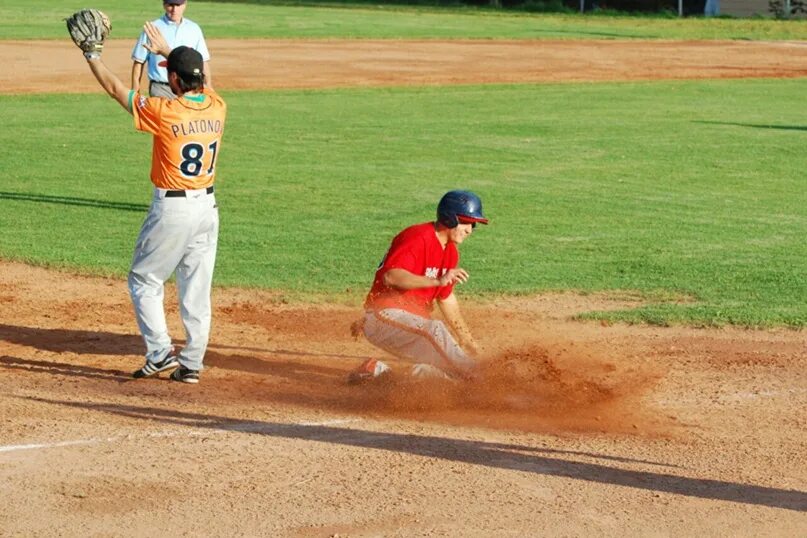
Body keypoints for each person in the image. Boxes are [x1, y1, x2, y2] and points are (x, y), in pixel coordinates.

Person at [73, 20, 226, 384]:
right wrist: (169, 55)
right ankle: (191, 363)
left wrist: (92, 55)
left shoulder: (164, 112)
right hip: (208, 210)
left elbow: (115, 89)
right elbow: (202, 80)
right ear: (201, 78)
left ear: (173, 80)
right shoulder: (218, 106)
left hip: (173, 211)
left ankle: (159, 353)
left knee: (144, 279)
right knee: (196, 289)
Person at [349, 190, 489, 383]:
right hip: (383, 316)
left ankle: (378, 374)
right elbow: (392, 276)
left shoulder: (450, 253)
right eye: (466, 222)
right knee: (435, 330)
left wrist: (466, 339)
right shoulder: (417, 237)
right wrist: (436, 281)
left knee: (444, 373)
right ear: (450, 218)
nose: (470, 229)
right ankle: (483, 380)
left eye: (474, 225)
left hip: (411, 326)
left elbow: (446, 298)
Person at [131, 0, 212, 99]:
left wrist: (209, 86)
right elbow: (139, 61)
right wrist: (135, 89)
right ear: (164, 5)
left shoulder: (194, 29)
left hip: (188, 88)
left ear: (185, 5)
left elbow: (203, 61)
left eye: (178, 5)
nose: (174, 9)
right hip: (161, 88)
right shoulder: (153, 28)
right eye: (171, 5)